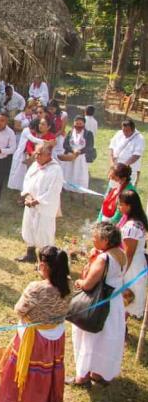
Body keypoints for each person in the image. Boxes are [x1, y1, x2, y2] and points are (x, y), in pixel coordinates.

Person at [0, 246, 71, 402]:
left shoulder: (36, 288)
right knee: (49, 370)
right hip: (55, 334)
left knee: (29, 372)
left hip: (35, 338)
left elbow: (19, 310)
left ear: (44, 266)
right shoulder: (68, 284)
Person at [70, 222, 127, 387]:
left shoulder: (104, 258)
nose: (93, 239)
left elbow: (88, 284)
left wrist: (79, 281)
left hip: (99, 303)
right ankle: (98, 373)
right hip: (114, 303)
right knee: (106, 340)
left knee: (90, 338)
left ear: (106, 241)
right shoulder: (121, 254)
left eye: (96, 237)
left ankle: (82, 376)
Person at [18, 144, 64, 263]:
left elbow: (54, 190)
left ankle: (46, 260)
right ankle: (30, 253)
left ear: (48, 155)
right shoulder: (34, 165)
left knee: (44, 231)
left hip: (45, 206)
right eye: (36, 153)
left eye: (39, 154)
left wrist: (38, 200)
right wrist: (28, 196)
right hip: (30, 203)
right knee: (29, 226)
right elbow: (27, 180)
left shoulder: (56, 169)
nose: (36, 156)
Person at [117, 189, 148, 320]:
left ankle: (121, 327)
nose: (119, 207)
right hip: (138, 263)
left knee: (125, 297)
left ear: (129, 206)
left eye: (120, 204)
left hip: (132, 268)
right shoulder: (138, 222)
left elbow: (129, 254)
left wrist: (121, 273)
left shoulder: (131, 227)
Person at [61, 115, 95, 194]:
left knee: (80, 174)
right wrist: (73, 150)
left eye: (80, 124)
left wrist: (79, 151)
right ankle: (68, 188)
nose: (78, 126)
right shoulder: (70, 132)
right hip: (70, 156)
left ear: (84, 124)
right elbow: (65, 145)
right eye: (76, 124)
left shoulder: (88, 134)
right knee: (68, 172)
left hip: (81, 158)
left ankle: (81, 191)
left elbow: (90, 146)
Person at [109, 119, 145, 184]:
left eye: (127, 131)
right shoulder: (119, 133)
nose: (124, 133)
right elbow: (112, 146)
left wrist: (124, 165)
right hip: (116, 169)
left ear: (133, 129)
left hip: (128, 170)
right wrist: (112, 161)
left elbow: (136, 155)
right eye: (123, 130)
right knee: (113, 188)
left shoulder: (139, 138)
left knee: (125, 191)